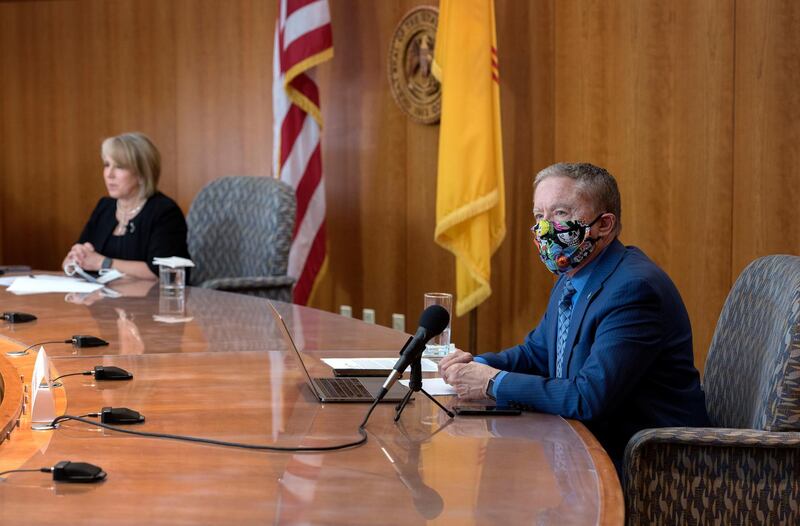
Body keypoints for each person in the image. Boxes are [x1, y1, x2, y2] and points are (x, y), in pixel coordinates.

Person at [440, 162, 710, 471]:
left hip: (650, 467)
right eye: (539, 215)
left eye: (560, 214)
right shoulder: (572, 275)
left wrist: (492, 383)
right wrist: (478, 365)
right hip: (584, 451)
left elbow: (588, 397)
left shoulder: (635, 290)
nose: (544, 228)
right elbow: (537, 354)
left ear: (604, 224)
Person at [62, 132, 189, 280]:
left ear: (142, 174)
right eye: (107, 165)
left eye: (119, 167)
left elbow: (160, 272)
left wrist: (101, 262)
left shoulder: (164, 212)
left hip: (149, 301)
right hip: (101, 300)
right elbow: (70, 261)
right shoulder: (105, 207)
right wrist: (75, 260)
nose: (109, 174)